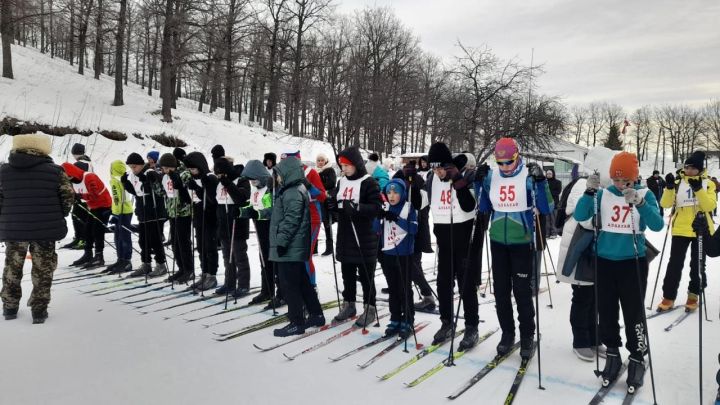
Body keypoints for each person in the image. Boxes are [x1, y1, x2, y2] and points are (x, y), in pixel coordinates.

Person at [574, 151, 664, 391]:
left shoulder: (645, 193)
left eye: (625, 180)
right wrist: (589, 192)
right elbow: (580, 215)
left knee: (633, 313)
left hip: (632, 262)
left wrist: (641, 203)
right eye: (615, 179)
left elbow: (657, 224)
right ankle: (612, 352)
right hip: (604, 261)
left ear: (634, 178)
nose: (620, 185)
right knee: (606, 310)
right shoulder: (603, 194)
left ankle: (637, 356)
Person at [477, 137, 553, 359]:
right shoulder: (492, 176)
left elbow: (546, 207)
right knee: (500, 292)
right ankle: (507, 334)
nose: (504, 167)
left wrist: (540, 183)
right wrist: (478, 182)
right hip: (498, 241)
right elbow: (482, 206)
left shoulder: (527, 176)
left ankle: (527, 335)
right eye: (500, 163)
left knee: (521, 292)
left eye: (508, 162)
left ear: (517, 156)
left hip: (521, 241)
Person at [1, 133, 74, 323]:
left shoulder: (3, 171)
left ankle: (9, 308)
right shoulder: (55, 171)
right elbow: (67, 198)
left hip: (14, 228)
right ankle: (39, 311)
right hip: (45, 229)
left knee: (12, 268)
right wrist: (58, 214)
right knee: (43, 270)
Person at [426, 142, 480, 351]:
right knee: (443, 283)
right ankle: (447, 322)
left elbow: (469, 206)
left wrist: (458, 181)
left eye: (441, 168)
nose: (438, 172)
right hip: (443, 237)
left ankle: (471, 326)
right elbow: (427, 204)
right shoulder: (433, 179)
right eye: (434, 168)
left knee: (466, 284)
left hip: (464, 237)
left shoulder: (464, 175)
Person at [271, 156, 325, 336]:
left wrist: (281, 242)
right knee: (302, 281)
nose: (277, 178)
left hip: (290, 247)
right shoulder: (291, 190)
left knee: (290, 285)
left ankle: (296, 321)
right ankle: (316, 314)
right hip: (294, 246)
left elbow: (291, 220)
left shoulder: (293, 192)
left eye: (279, 174)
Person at [656, 151, 717, 312]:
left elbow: (710, 206)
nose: (689, 170)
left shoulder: (708, 183)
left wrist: (698, 189)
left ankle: (693, 294)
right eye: (687, 167)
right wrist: (669, 188)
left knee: (697, 265)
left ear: (699, 169)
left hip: (701, 228)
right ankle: (668, 296)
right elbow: (665, 204)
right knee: (674, 264)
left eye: (692, 168)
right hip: (681, 228)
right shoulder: (678, 182)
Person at [328, 146, 382, 327]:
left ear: (356, 164)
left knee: (366, 275)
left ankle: (370, 307)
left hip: (364, 236)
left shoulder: (369, 182)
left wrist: (358, 208)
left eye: (347, 165)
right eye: (341, 165)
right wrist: (332, 205)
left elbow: (376, 207)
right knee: (347, 273)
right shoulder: (341, 181)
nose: (343, 169)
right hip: (345, 235)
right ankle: (349, 304)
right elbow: (336, 200)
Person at [555, 173, 600, 361]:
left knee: (594, 297)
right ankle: (580, 341)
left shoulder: (604, 186)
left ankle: (594, 338)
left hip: (593, 248)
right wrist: (599, 221)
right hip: (579, 248)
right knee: (582, 297)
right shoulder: (582, 184)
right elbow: (579, 215)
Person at [377, 179, 418, 337]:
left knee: (404, 288)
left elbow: (413, 229)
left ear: (402, 193)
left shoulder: (408, 207)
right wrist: (378, 216)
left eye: (395, 192)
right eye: (389, 192)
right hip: (388, 253)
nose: (392, 196)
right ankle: (395, 317)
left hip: (404, 254)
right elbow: (376, 229)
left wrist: (397, 219)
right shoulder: (385, 206)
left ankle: (408, 319)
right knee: (393, 288)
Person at [393, 162, 436, 312]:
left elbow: (422, 203)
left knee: (413, 265)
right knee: (405, 264)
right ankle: (411, 291)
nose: (406, 170)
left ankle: (428, 296)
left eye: (408, 169)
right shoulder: (398, 177)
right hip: (400, 229)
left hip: (416, 230)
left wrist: (414, 185)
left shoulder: (419, 181)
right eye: (404, 167)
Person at [281, 150, 326, 285]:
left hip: (311, 219)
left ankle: (311, 289)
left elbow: (322, 196)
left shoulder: (310, 173)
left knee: (304, 257)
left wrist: (309, 186)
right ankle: (295, 289)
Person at [121, 153, 168, 277]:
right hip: (143, 212)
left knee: (155, 239)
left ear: (141, 165)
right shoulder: (134, 176)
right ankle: (146, 263)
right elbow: (137, 192)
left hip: (154, 211)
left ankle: (161, 264)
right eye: (131, 167)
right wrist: (126, 184)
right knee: (143, 240)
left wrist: (148, 182)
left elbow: (159, 191)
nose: (133, 169)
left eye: (135, 166)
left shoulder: (150, 172)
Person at [62, 162, 113, 269]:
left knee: (97, 231)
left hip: (104, 205)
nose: (65, 177)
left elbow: (94, 194)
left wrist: (80, 196)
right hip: (93, 206)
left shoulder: (89, 177)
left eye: (65, 174)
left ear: (70, 172)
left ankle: (99, 257)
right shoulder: (73, 181)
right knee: (87, 230)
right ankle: (88, 254)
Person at [214, 157, 252, 297]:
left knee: (239, 255)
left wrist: (227, 183)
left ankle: (243, 284)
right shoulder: (219, 182)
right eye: (218, 174)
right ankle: (229, 282)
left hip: (237, 223)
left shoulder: (241, 180)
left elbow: (241, 198)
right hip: (224, 224)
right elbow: (215, 201)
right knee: (226, 256)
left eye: (221, 174)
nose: (219, 177)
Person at [241, 160, 277, 305]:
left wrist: (258, 214)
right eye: (250, 181)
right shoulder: (256, 190)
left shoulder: (269, 189)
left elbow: (271, 209)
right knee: (263, 258)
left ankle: (279, 292)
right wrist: (241, 212)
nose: (252, 183)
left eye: (254, 180)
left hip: (270, 228)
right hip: (259, 227)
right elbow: (251, 206)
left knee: (272, 260)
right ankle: (266, 290)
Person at [184, 152, 220, 291]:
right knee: (200, 246)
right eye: (190, 170)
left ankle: (212, 274)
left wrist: (199, 188)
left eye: (194, 169)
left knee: (210, 247)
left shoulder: (209, 178)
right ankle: (204, 272)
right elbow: (190, 199)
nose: (192, 172)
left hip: (210, 217)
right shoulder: (194, 179)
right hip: (198, 217)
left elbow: (212, 199)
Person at [158, 153, 195, 284]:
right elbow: (161, 192)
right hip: (172, 212)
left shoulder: (184, 173)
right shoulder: (165, 176)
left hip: (183, 212)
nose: (165, 170)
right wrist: (156, 181)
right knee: (174, 242)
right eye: (163, 168)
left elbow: (186, 191)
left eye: (167, 168)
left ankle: (189, 269)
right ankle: (181, 268)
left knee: (183, 242)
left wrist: (175, 178)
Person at [104, 160, 134, 274]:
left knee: (122, 237)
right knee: (119, 236)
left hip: (122, 212)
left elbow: (117, 199)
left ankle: (126, 261)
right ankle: (121, 259)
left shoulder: (114, 181)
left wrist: (115, 214)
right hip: (126, 210)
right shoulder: (123, 178)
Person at [62, 143, 93, 250]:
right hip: (87, 194)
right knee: (81, 217)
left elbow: (73, 179)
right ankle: (80, 238)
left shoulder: (79, 164)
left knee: (78, 217)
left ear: (74, 153)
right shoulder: (88, 162)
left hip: (81, 194)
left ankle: (82, 239)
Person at [316, 152, 337, 256]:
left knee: (327, 223)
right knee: (315, 223)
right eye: (318, 160)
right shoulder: (315, 171)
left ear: (326, 161)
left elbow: (332, 183)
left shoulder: (329, 170)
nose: (320, 162)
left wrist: (319, 186)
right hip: (317, 200)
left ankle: (329, 248)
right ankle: (314, 248)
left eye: (322, 160)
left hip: (327, 199)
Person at [545, 169, 563, 239]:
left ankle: (554, 233)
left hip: (554, 203)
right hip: (545, 204)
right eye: (547, 173)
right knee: (547, 219)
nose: (548, 175)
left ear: (553, 174)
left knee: (553, 219)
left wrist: (548, 193)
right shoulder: (544, 182)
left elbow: (557, 192)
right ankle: (547, 233)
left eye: (550, 173)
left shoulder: (558, 182)